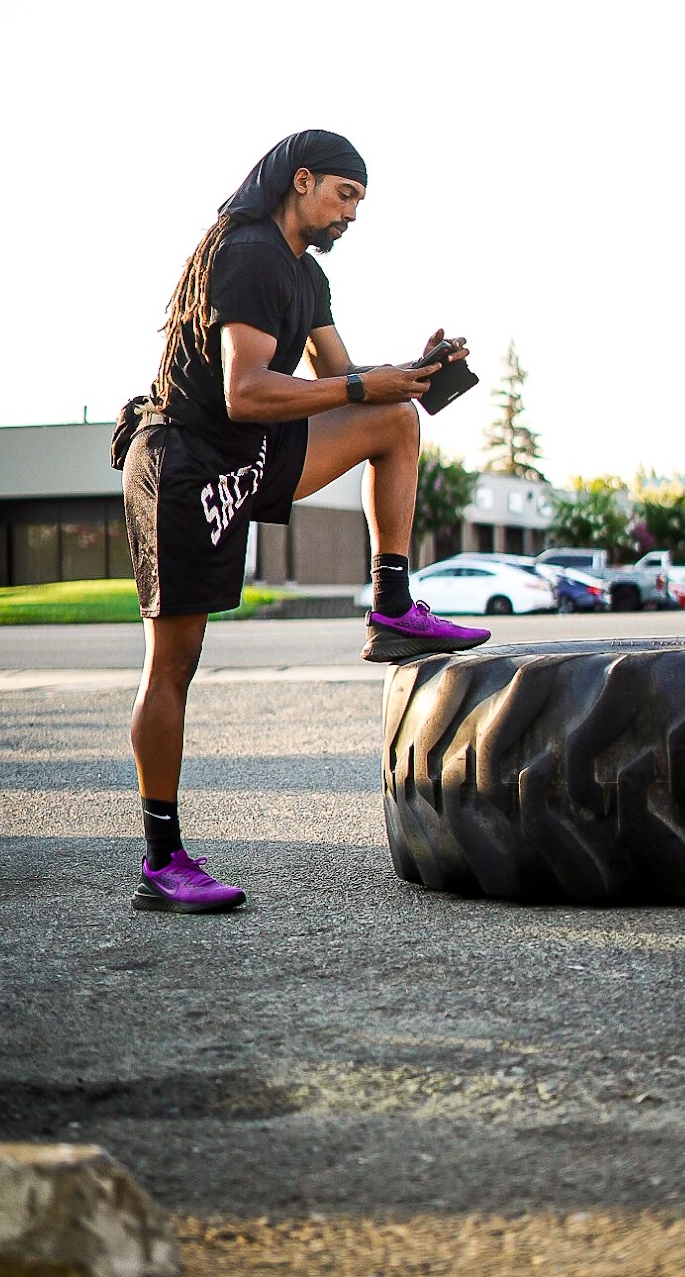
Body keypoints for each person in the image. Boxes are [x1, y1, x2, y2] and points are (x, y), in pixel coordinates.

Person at [116, 130, 489, 916]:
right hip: (184, 461)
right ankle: (161, 857)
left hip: (248, 451)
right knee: (173, 666)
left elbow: (340, 380)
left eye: (359, 202)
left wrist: (409, 376)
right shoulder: (248, 253)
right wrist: (364, 385)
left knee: (393, 421)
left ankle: (391, 606)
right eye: (344, 196)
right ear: (302, 181)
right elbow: (246, 391)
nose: (351, 213)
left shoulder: (306, 277)